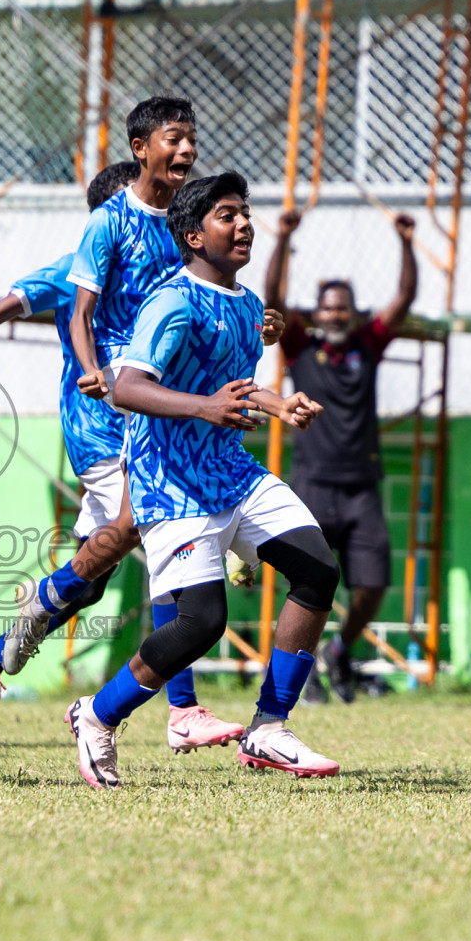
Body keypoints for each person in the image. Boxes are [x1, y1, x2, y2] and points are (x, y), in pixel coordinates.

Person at [0, 159, 261, 752]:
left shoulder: (174, 268)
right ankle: (181, 709)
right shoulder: (78, 266)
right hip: (103, 430)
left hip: (154, 430)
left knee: (92, 579)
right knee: (158, 537)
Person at [73, 172, 342, 788]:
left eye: (245, 213)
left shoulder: (246, 305)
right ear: (193, 235)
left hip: (232, 470)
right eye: (227, 216)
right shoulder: (172, 301)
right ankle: (97, 716)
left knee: (317, 569)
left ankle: (269, 730)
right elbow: (126, 387)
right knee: (202, 623)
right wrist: (205, 408)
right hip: (171, 483)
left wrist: (278, 405)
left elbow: (233, 387)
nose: (244, 224)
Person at [264, 207, 416, 702]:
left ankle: (340, 651)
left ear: (353, 313)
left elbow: (406, 298)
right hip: (312, 485)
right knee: (307, 585)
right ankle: (298, 678)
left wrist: (407, 242)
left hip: (362, 487)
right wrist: (283, 241)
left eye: (343, 308)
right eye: (327, 307)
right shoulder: (301, 347)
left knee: (373, 585)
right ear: (316, 311)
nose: (335, 314)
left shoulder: (367, 345)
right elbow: (272, 299)